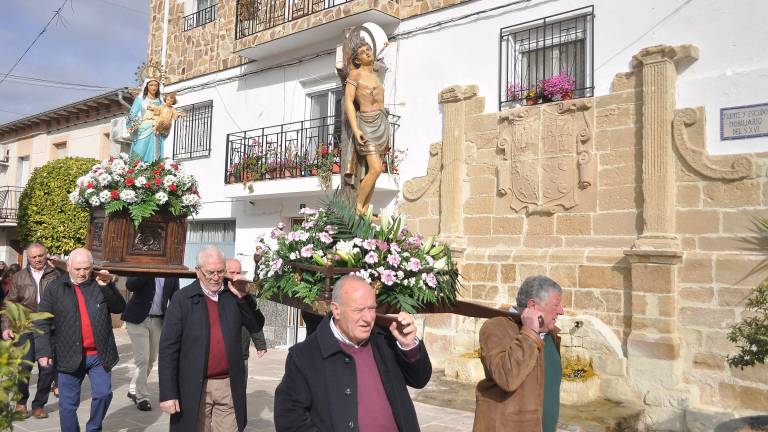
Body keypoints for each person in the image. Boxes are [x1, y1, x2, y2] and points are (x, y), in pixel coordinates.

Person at [274, 274, 432, 431]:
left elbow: (420, 380)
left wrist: (408, 345)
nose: (367, 318)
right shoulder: (305, 356)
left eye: (371, 309)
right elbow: (290, 419)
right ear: (336, 310)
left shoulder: (385, 339)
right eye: (358, 310)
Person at [159, 246, 265, 432]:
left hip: (228, 384)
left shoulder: (232, 295)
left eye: (220, 271)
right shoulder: (182, 299)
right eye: (210, 272)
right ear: (198, 271)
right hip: (195, 385)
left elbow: (256, 325)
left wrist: (244, 298)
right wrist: (168, 393)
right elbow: (168, 348)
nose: (216, 277)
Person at [34, 248, 126, 432]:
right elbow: (41, 321)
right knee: (68, 406)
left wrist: (106, 286)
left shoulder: (98, 284)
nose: (82, 273)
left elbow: (119, 307)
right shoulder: (55, 288)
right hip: (68, 354)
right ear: (68, 267)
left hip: (99, 355)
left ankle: (93, 428)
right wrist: (43, 352)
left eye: (87, 268)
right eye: (77, 269)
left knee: (103, 394)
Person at [473, 275, 565, 432]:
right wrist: (529, 332)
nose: (561, 311)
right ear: (532, 306)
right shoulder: (496, 327)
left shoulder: (551, 335)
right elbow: (507, 378)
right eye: (556, 305)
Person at [0, 243, 61, 419]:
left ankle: (39, 404)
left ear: (46, 254)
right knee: (24, 367)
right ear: (28, 258)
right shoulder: (19, 277)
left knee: (47, 368)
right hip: (25, 327)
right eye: (34, 257)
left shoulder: (57, 275)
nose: (38, 259)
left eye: (41, 255)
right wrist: (6, 327)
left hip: (49, 328)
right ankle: (21, 403)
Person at [342, 37, 391, 214]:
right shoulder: (355, 74)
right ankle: (358, 207)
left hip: (381, 123)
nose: (368, 52)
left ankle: (365, 209)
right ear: (357, 59)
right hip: (367, 123)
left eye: (368, 49)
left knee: (376, 171)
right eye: (362, 52)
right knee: (376, 169)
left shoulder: (377, 74)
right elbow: (348, 101)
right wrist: (355, 129)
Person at [123, 276, 180, 411]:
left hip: (158, 321)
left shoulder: (172, 274)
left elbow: (175, 298)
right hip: (137, 319)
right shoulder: (144, 268)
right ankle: (142, 397)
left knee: (150, 359)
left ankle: (133, 389)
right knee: (142, 359)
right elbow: (130, 285)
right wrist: (147, 271)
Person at [225, 258, 267, 385]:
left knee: (239, 392)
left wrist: (260, 343)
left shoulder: (247, 292)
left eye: (238, 272)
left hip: (242, 352)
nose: (236, 276)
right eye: (232, 272)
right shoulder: (219, 292)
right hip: (223, 353)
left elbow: (254, 320)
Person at [127, 78, 164, 162]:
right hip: (143, 128)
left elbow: (164, 115)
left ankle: (153, 171)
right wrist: (134, 124)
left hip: (156, 129)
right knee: (139, 151)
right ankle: (135, 170)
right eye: (151, 85)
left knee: (155, 152)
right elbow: (132, 115)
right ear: (146, 86)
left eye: (156, 85)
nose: (153, 87)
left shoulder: (160, 101)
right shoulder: (140, 100)